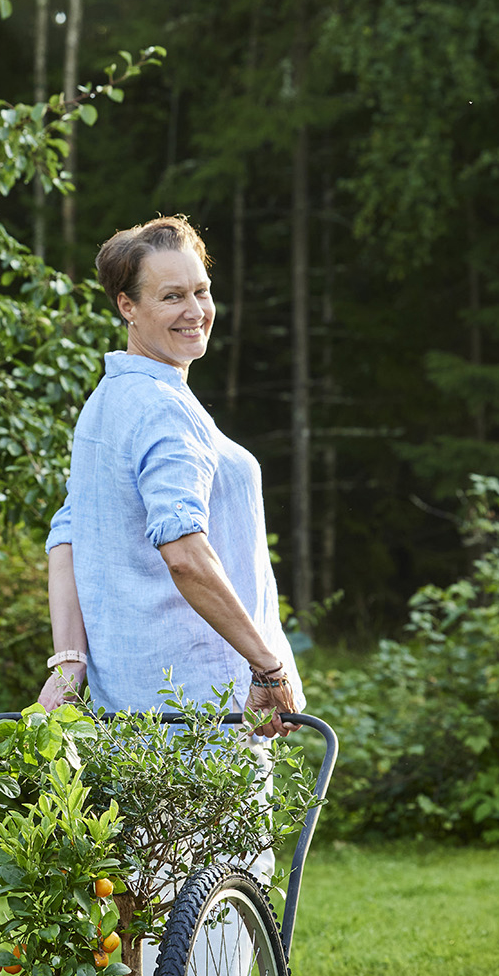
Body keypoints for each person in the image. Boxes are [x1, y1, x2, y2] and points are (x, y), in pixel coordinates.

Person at [37, 213, 304, 735]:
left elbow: (68, 535)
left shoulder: (107, 401)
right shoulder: (160, 408)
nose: (195, 311)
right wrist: (267, 667)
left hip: (136, 717)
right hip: (207, 709)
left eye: (201, 292)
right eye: (172, 296)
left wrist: (70, 660)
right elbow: (183, 553)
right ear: (127, 306)